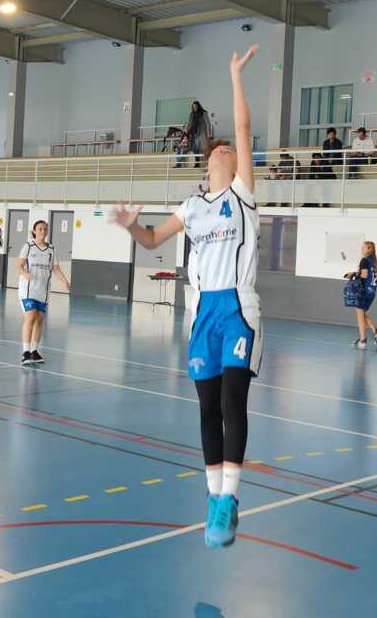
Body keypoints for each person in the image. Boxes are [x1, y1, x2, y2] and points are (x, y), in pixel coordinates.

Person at [112, 46, 262, 549]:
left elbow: (243, 127)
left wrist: (235, 75)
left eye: (231, 148)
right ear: (209, 159)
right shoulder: (193, 206)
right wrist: (132, 227)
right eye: (222, 149)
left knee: (232, 400)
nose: (228, 150)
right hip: (202, 311)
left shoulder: (242, 194)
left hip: (237, 308)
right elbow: (154, 239)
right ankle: (214, 497)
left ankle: (230, 498)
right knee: (205, 407)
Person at [18, 220, 71, 365]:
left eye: (45, 229)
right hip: (28, 289)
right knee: (30, 317)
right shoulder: (28, 246)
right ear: (34, 231)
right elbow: (20, 265)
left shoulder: (51, 249)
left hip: (43, 291)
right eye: (40, 229)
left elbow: (56, 268)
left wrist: (65, 281)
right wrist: (24, 273)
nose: (43, 231)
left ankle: (34, 351)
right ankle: (25, 352)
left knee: (39, 319)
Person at [344, 241, 377, 349]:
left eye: (363, 247)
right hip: (372, 292)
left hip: (364, 291)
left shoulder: (365, 260)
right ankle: (376, 331)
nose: (361, 249)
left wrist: (353, 274)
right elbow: (370, 276)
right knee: (362, 315)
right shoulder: (375, 262)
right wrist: (356, 273)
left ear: (369, 249)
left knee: (360, 316)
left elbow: (364, 275)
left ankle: (363, 340)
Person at [187, 101, 213, 169]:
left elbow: (208, 123)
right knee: (194, 148)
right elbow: (189, 124)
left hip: (202, 133)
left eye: (195, 106)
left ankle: (207, 163)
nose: (194, 108)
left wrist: (209, 133)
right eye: (193, 107)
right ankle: (197, 162)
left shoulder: (203, 113)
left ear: (198, 106)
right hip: (194, 133)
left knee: (205, 148)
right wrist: (186, 132)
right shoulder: (191, 114)